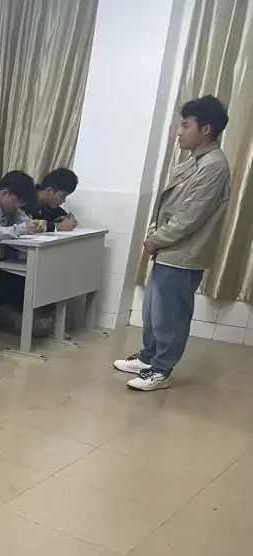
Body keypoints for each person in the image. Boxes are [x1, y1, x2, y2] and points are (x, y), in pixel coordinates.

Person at [115, 94, 231, 392]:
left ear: (206, 129)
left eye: (185, 125)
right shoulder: (195, 161)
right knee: (154, 310)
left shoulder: (213, 166)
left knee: (172, 315)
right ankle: (149, 358)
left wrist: (156, 239)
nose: (179, 132)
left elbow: (190, 216)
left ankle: (161, 369)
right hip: (169, 249)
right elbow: (170, 207)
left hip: (184, 254)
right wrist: (155, 234)